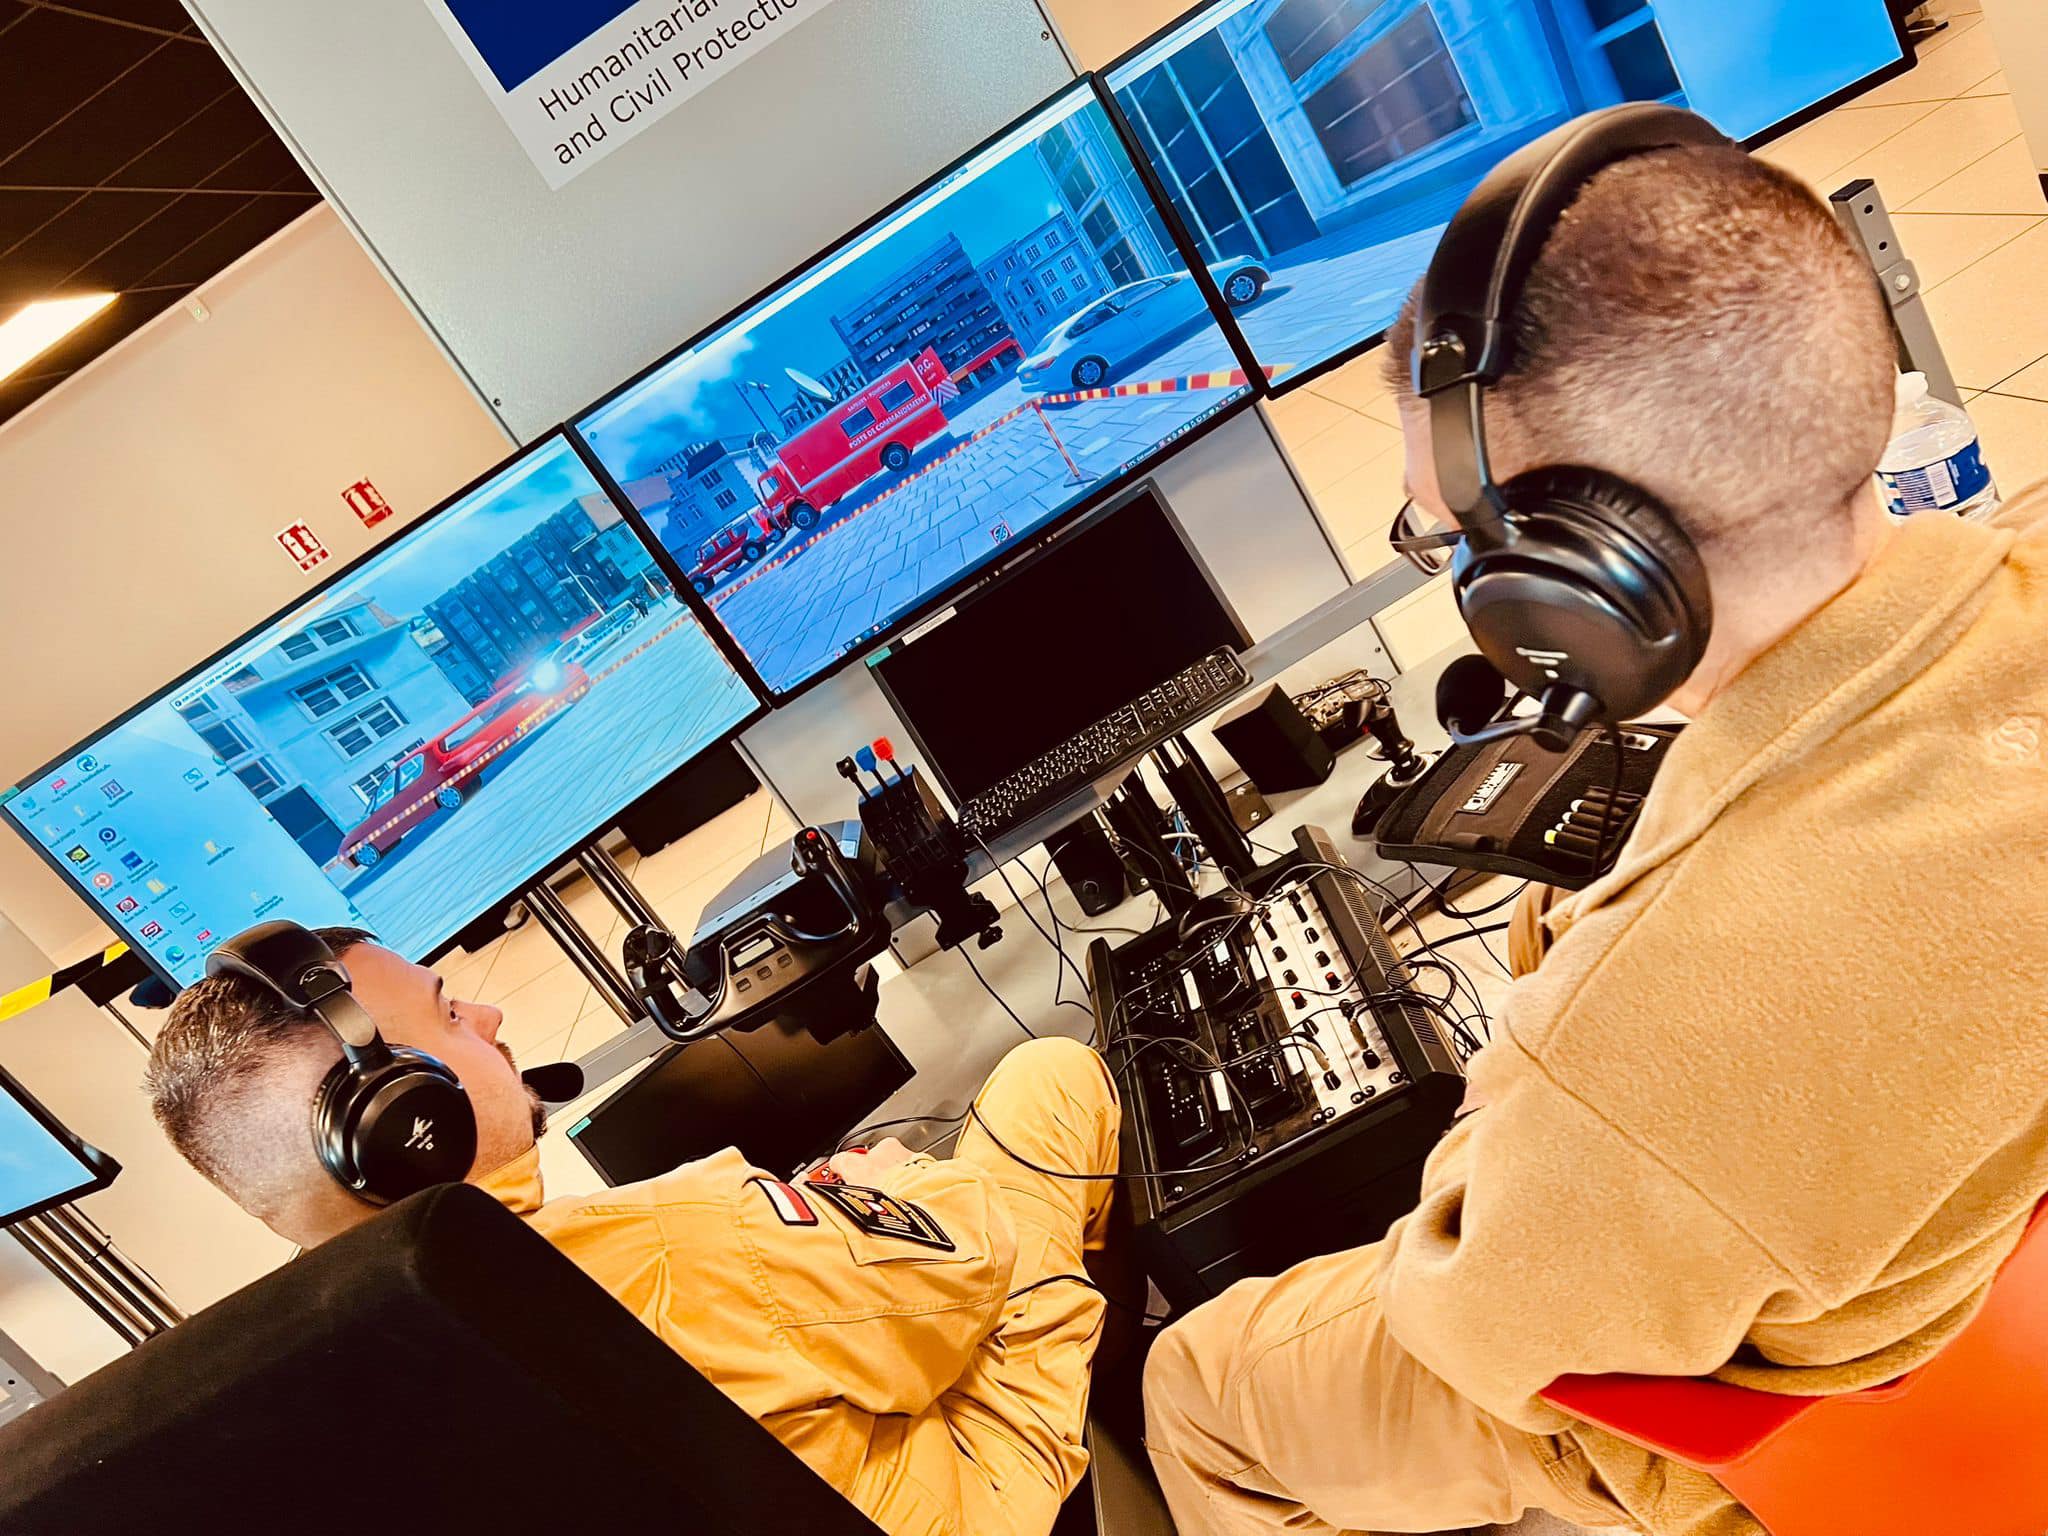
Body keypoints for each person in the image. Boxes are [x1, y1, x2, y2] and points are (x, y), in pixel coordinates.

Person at [1141, 137, 2048, 1534]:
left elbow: (1473, 1323)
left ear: (1576, 583)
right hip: (1963, 1223)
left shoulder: (1654, 1031)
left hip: (1783, 1412)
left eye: (1457, 538)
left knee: (1197, 1381)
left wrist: (1523, 1067)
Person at [145, 929, 1122, 1536]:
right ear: (408, 1117)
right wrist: (886, 1182)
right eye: (450, 1016)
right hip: (973, 1494)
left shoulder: (331, 1410)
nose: (488, 1011)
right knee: (1043, 1081)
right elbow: (960, 1276)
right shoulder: (679, 1238)